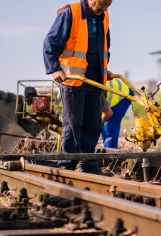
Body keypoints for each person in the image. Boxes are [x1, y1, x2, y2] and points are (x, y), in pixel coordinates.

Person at [43, 0, 113, 172]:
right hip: (72, 78)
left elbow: (105, 45)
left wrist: (105, 68)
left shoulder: (103, 16)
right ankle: (68, 164)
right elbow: (50, 43)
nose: (105, 8)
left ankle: (89, 164)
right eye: (103, 3)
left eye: (109, 5)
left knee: (93, 124)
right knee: (73, 124)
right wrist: (54, 69)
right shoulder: (70, 13)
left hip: (95, 77)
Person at [101, 78, 133, 148]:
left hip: (124, 94)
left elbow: (108, 113)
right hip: (114, 96)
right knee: (101, 123)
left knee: (111, 124)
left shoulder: (96, 94)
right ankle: (105, 146)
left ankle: (110, 151)